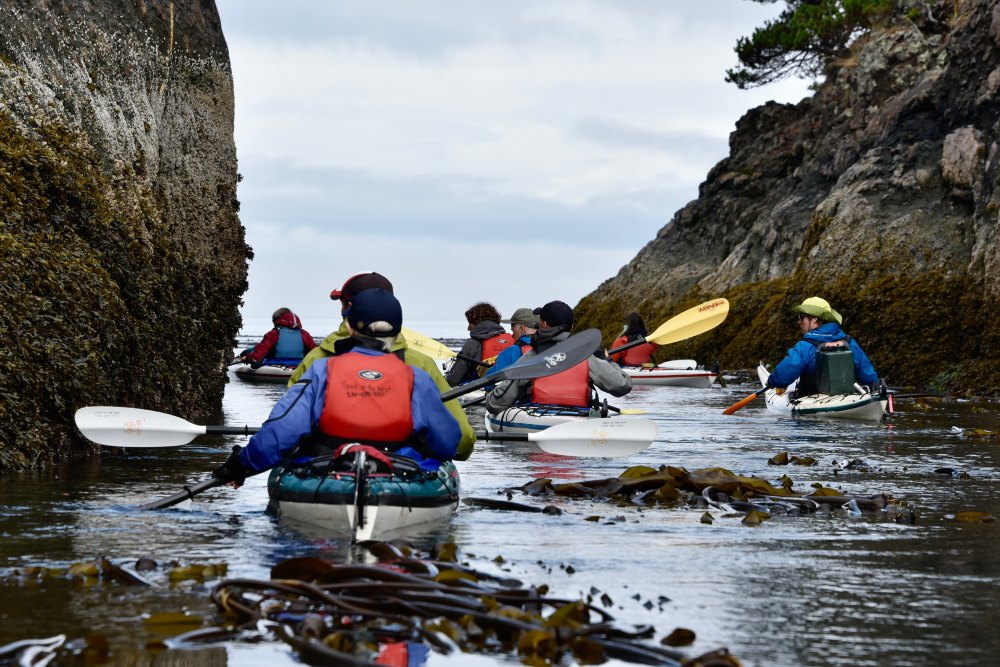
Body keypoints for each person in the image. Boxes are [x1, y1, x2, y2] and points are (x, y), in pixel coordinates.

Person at [213, 288, 462, 486]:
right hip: (400, 477)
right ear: (397, 335)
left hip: (327, 473)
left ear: (350, 328)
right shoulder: (417, 379)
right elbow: (448, 441)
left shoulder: (322, 371)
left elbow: (281, 432)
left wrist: (240, 465)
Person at [287, 272, 476, 460]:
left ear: (349, 307)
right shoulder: (421, 365)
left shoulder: (315, 361)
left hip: (324, 469)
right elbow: (463, 440)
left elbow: (288, 429)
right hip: (403, 471)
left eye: (341, 303)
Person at [485, 300, 632, 414]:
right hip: (578, 419)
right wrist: (606, 360)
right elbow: (622, 386)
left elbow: (495, 403)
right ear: (572, 327)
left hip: (535, 418)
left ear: (543, 324)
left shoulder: (531, 356)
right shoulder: (586, 356)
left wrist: (490, 397)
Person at [766, 296, 879, 396]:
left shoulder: (805, 347)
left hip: (810, 409)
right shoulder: (850, 343)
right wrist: (875, 388)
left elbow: (785, 372)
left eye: (801, 317)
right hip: (847, 397)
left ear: (814, 319)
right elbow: (869, 377)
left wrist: (772, 381)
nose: (799, 322)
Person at [444, 302, 514, 387]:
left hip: (476, 394)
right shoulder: (513, 341)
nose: (468, 328)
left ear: (478, 322)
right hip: (506, 391)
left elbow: (453, 380)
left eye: (470, 323)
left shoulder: (472, 344)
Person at [237, 308, 316, 367]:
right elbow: (315, 352)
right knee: (254, 349)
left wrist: (247, 358)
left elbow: (257, 356)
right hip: (299, 365)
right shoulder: (304, 334)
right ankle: (245, 353)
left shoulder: (274, 334)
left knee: (256, 355)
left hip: (275, 364)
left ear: (276, 321)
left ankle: (243, 355)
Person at [485, 307, 539, 378]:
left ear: (521, 329)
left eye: (513, 331)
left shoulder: (511, 352)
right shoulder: (549, 348)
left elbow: (489, 383)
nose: (512, 335)